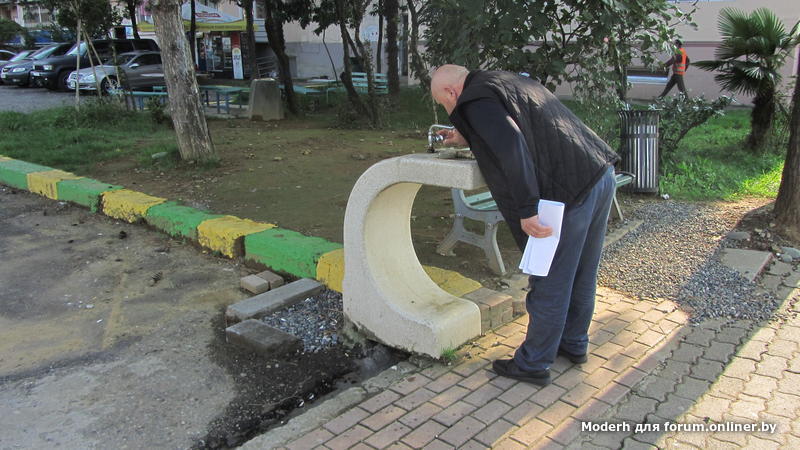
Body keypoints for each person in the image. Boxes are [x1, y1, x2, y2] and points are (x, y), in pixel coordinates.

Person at [430, 65, 619, 385]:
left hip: (564, 191)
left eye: (444, 104)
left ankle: (533, 362)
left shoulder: (473, 100)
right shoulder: (500, 80)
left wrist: (528, 208)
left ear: (451, 92)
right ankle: (573, 343)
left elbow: (511, 145)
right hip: (597, 172)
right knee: (582, 272)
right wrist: (467, 134)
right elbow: (519, 121)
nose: (449, 110)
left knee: (549, 278)